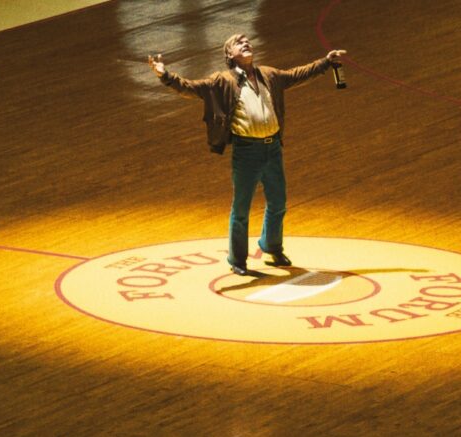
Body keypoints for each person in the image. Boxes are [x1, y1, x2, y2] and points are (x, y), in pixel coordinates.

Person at [148, 34, 346, 276]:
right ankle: (238, 259)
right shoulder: (221, 80)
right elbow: (191, 88)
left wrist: (326, 62)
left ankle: (272, 247)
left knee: (278, 202)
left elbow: (298, 74)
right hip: (247, 151)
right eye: (238, 43)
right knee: (241, 209)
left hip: (272, 148)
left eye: (247, 41)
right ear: (230, 55)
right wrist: (165, 76)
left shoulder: (268, 75)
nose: (245, 43)